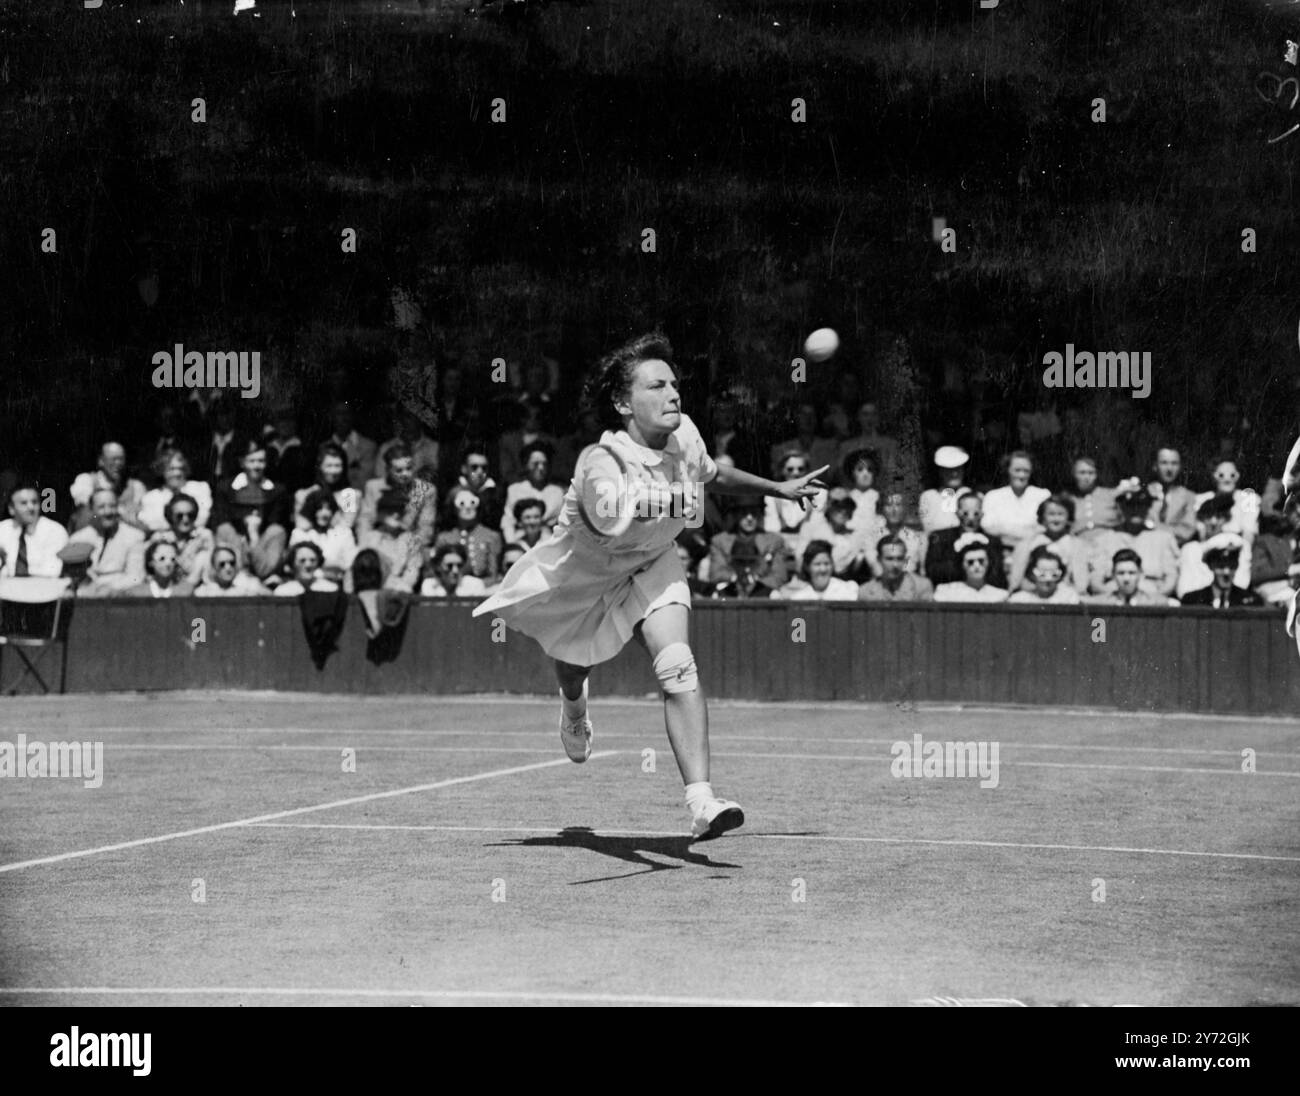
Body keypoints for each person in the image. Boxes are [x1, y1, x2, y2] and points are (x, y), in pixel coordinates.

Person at [472, 332, 826, 839]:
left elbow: (710, 475)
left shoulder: (686, 437)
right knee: (573, 669)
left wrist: (777, 488)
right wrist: (679, 501)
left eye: (675, 385)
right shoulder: (601, 462)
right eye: (656, 386)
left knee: (677, 664)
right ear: (622, 402)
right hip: (587, 577)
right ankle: (574, 706)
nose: (673, 395)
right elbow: (633, 505)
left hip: (653, 563)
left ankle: (702, 802)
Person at [212, 434, 291, 582]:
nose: (257, 466)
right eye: (252, 461)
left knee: (277, 531)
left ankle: (264, 573)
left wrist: (254, 535)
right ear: (242, 462)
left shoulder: (277, 491)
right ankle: (238, 573)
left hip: (263, 547)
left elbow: (276, 522)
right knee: (224, 529)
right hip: (235, 545)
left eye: (261, 461)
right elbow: (222, 519)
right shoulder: (226, 488)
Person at [64, 488, 146, 596]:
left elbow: (136, 577)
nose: (108, 512)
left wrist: (111, 588)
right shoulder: (78, 538)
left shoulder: (134, 536)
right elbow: (72, 577)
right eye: (101, 507)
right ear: (91, 509)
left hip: (121, 597)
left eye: (112, 506)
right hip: (85, 596)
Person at [356, 442, 438, 548]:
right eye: (399, 470)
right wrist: (364, 548)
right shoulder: (373, 487)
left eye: (409, 468)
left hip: (410, 544)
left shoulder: (425, 490)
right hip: (378, 542)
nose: (405, 474)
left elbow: (426, 528)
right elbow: (365, 521)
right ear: (388, 470)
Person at [708, 495, 789, 598]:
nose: (749, 518)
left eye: (754, 513)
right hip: (731, 592)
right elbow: (716, 574)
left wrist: (754, 583)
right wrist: (737, 579)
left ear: (759, 514)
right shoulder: (720, 541)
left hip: (763, 593)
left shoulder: (774, 541)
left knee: (776, 595)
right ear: (736, 514)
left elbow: (779, 576)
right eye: (744, 513)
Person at [1006, 494, 1086, 594]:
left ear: (1068, 517)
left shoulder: (1076, 545)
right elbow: (1016, 580)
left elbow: (1081, 583)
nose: (1056, 519)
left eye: (1060, 514)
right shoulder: (1028, 543)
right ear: (1043, 517)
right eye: (1051, 514)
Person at [926, 493, 1008, 588]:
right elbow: (932, 573)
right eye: (965, 513)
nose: (971, 518)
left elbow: (998, 578)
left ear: (982, 514)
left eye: (975, 514)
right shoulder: (941, 538)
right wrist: (958, 555)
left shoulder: (992, 541)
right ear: (957, 514)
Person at [1176, 495, 1249, 597]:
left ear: (1227, 519)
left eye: (1219, 517)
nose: (1213, 522)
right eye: (1208, 517)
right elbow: (1184, 589)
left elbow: (1241, 583)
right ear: (1201, 519)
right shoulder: (1190, 549)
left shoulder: (1237, 543)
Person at [69, 442, 148, 533]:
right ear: (101, 461)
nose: (118, 463)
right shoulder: (86, 481)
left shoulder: (136, 486)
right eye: (113, 459)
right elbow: (85, 514)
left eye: (121, 459)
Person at [980, 450, 1050, 551]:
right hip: (1002, 550)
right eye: (1017, 470)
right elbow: (987, 526)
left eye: (1026, 471)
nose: (1021, 475)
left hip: (1035, 550)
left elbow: (1047, 527)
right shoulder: (993, 496)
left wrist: (1005, 530)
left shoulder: (1042, 495)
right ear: (1007, 470)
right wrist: (1026, 533)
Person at [357, 489, 425, 592]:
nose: (396, 514)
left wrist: (400, 586)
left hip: (399, 591)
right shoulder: (369, 538)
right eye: (391, 510)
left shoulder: (411, 540)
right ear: (380, 513)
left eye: (400, 510)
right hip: (371, 588)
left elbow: (412, 571)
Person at [500, 441, 566, 543]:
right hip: (521, 541)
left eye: (544, 464)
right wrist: (512, 545)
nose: (541, 468)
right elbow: (508, 522)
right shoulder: (514, 490)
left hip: (548, 542)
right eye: (535, 464)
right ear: (526, 465)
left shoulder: (557, 492)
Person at [145, 492, 214, 590]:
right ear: (170, 516)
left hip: (196, 589)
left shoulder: (204, 536)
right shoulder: (160, 537)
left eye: (190, 515)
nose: (185, 520)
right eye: (179, 515)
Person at [433, 488, 503, 583]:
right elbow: (437, 572)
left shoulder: (491, 536)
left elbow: (493, 575)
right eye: (462, 503)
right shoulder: (444, 538)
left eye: (472, 502)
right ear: (453, 508)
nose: (468, 507)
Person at [289, 488, 358, 583]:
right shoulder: (299, 534)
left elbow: (350, 563)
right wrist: (332, 564)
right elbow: (295, 565)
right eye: (320, 509)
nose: (325, 514)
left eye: (328, 509)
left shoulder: (344, 533)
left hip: (336, 585)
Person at [0, 483, 68, 577]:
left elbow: (52, 573)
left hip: (44, 589)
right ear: (11, 508)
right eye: (24, 503)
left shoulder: (54, 531)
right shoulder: (3, 529)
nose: (31, 507)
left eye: (34, 502)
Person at [137, 449, 213, 533]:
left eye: (180, 468)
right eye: (171, 469)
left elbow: (202, 518)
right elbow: (149, 523)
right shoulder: (151, 497)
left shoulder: (199, 488)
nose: (177, 473)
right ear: (162, 471)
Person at [295, 442, 360, 534]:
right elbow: (301, 525)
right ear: (320, 467)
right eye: (329, 466)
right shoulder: (304, 494)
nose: (333, 471)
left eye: (337, 466)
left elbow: (346, 525)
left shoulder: (349, 495)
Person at [1180, 541, 1263, 608]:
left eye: (1231, 566)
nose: (1226, 572)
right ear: (1211, 566)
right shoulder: (1192, 600)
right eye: (1221, 566)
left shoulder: (1251, 601)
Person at [933, 534, 1010, 603]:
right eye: (970, 562)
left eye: (981, 561)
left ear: (988, 562)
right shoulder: (947, 593)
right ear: (962, 565)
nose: (976, 566)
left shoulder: (1000, 596)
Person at [857, 535, 935, 602]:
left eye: (899, 558)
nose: (895, 565)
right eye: (889, 559)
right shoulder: (865, 591)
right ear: (879, 559)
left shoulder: (921, 587)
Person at [774, 540, 859, 600]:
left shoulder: (846, 590)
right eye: (817, 564)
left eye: (826, 564)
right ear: (807, 567)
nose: (823, 569)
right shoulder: (800, 596)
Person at [1087, 548, 1173, 607]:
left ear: (1141, 574)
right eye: (1121, 573)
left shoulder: (1156, 603)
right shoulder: (1101, 603)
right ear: (1113, 575)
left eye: (1132, 573)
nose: (1126, 579)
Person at [917, 446, 971, 535]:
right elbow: (928, 528)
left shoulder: (968, 493)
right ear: (941, 472)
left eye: (958, 469)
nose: (954, 474)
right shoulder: (929, 496)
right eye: (949, 470)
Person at [1065, 456, 1118, 540]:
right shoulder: (1068, 499)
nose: (1087, 478)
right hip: (1079, 543)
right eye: (1082, 473)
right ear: (1074, 475)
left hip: (1108, 541)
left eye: (1091, 473)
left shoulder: (1110, 494)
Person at [118, 540, 193, 598]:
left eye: (172, 559)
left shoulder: (185, 592)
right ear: (151, 562)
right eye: (162, 558)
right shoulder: (137, 593)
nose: (168, 564)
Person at [1008, 546, 1082, 604]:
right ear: (1031, 573)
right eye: (1042, 573)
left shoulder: (1069, 598)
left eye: (1054, 574)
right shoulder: (1019, 599)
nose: (1047, 580)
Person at [194, 544, 269, 596]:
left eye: (232, 563)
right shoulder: (203, 592)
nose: (228, 568)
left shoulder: (248, 586)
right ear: (214, 567)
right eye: (222, 564)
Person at [274, 541, 341, 597]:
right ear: (292, 564)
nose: (308, 565)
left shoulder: (330, 589)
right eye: (302, 560)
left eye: (312, 560)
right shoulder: (282, 592)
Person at [421, 542, 487, 597]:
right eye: (449, 566)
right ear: (438, 566)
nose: (455, 570)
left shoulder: (475, 585)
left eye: (459, 565)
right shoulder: (429, 585)